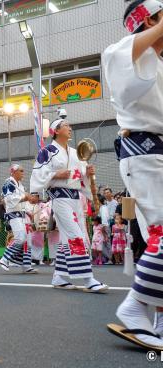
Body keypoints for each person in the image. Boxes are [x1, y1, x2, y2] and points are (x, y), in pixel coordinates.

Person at [103, 0, 163, 348]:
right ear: (150, 19)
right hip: (143, 151)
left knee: (158, 236)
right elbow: (126, 60)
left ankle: (158, 317)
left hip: (155, 152)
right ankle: (133, 305)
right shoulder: (120, 51)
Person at [30, 118, 108, 292]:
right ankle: (88, 279)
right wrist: (56, 174)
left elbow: (82, 178)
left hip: (75, 199)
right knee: (75, 236)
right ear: (56, 131)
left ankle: (59, 276)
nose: (70, 128)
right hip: (60, 199)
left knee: (69, 239)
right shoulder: (48, 151)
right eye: (66, 126)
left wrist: (87, 173)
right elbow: (37, 176)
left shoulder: (75, 153)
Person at [0, 164, 37, 274]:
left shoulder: (20, 185)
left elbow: (23, 201)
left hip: (22, 215)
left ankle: (26, 265)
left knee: (27, 240)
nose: (23, 173)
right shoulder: (8, 183)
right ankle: (4, 259)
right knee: (20, 238)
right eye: (21, 171)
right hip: (14, 214)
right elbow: (9, 199)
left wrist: (29, 207)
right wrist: (25, 197)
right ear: (13, 172)